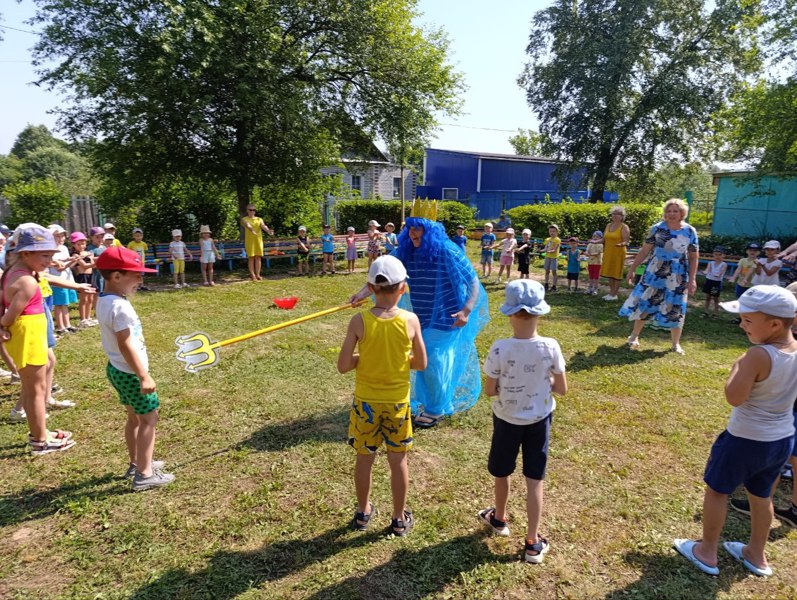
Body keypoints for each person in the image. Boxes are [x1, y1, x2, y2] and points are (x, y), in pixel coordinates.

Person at [674, 285, 797, 577]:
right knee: (762, 495)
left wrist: (737, 367)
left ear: (775, 324)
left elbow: (734, 397)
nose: (742, 325)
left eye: (748, 320)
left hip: (744, 439)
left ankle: (707, 550)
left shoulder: (758, 355)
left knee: (717, 491)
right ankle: (756, 554)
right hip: (780, 440)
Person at [349, 202, 490, 428]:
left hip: (448, 315)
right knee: (428, 360)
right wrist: (362, 293)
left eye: (418, 228)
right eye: (410, 228)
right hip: (422, 315)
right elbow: (384, 274)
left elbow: (472, 280)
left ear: (430, 230)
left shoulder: (447, 250)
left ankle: (436, 408)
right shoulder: (405, 252)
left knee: (433, 359)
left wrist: (466, 310)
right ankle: (435, 402)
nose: (412, 233)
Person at [478, 279, 567, 564]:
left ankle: (500, 518)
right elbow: (562, 388)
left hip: (506, 420)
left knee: (502, 473)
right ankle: (532, 543)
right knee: (534, 481)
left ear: (509, 314)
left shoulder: (500, 348)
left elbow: (490, 390)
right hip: (539, 421)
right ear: (540, 313)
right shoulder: (551, 347)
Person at [338, 255, 427, 536]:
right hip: (398, 403)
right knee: (397, 461)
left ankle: (363, 512)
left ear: (371, 289)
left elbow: (343, 365)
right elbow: (421, 363)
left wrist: (363, 358)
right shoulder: (411, 320)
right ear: (403, 289)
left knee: (364, 459)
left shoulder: (358, 320)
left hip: (366, 403)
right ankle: (399, 518)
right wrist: (398, 360)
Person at [96, 246, 175, 491]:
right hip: (131, 374)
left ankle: (137, 462)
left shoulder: (105, 300)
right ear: (116, 276)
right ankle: (144, 474)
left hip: (117, 370)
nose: (141, 280)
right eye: (136, 275)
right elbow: (126, 342)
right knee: (149, 419)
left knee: (134, 418)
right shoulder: (121, 307)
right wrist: (143, 375)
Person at [1, 224, 76, 454]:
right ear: (26, 254)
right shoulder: (27, 281)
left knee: (39, 385)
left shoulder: (15, 273)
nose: (49, 260)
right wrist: (2, 326)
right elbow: (10, 316)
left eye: (51, 255)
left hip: (30, 336)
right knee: (34, 390)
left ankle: (42, 432)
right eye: (44, 255)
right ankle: (40, 441)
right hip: (28, 337)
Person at [620, 198, 699, 355]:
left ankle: (675, 344)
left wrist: (693, 279)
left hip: (678, 274)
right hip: (655, 271)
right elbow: (644, 251)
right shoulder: (657, 228)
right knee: (647, 301)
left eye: (675, 211)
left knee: (676, 306)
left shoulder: (690, 231)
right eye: (669, 211)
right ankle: (634, 336)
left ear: (682, 213)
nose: (671, 214)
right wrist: (632, 269)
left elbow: (693, 256)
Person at [48, 225, 80, 334]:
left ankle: (67, 325)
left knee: (65, 303)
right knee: (59, 304)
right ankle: (60, 327)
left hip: (66, 279)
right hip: (57, 281)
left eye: (62, 236)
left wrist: (75, 260)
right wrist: (71, 260)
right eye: (58, 236)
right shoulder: (50, 250)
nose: (61, 238)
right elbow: (60, 267)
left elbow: (67, 266)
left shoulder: (64, 248)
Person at [600, 206, 630, 301]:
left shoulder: (624, 227)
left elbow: (626, 241)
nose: (615, 215)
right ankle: (611, 293)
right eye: (613, 213)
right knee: (609, 272)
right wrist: (596, 241)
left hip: (618, 252)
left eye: (617, 214)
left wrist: (621, 244)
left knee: (616, 273)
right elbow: (604, 239)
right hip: (608, 252)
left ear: (622, 216)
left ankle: (614, 294)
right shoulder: (608, 225)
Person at [71, 231, 97, 327]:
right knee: (84, 299)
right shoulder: (75, 255)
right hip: (82, 277)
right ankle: (83, 319)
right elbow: (85, 266)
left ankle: (88, 317)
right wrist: (96, 263)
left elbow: (93, 261)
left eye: (83, 243)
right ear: (73, 245)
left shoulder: (87, 253)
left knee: (90, 298)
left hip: (91, 276)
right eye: (79, 244)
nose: (81, 246)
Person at [241, 204, 273, 281]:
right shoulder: (244, 219)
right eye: (250, 210)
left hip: (258, 240)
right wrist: (252, 230)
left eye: (253, 210)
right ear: (247, 210)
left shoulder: (259, 219)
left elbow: (263, 225)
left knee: (258, 257)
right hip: (249, 241)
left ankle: (258, 274)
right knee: (251, 257)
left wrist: (268, 231)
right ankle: (252, 275)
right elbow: (248, 225)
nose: (252, 211)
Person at [542, 224, 561, 292]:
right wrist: (541, 250)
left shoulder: (557, 240)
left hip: (554, 258)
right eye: (550, 231)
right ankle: (546, 284)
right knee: (547, 271)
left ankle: (554, 286)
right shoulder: (547, 239)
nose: (552, 233)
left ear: (556, 232)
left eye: (553, 231)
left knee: (554, 272)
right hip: (547, 257)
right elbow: (545, 248)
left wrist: (549, 251)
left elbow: (555, 249)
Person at [585, 231, 604, 295]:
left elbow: (598, 253)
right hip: (590, 262)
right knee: (591, 275)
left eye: (597, 236)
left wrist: (590, 254)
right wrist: (586, 253)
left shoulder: (600, 245)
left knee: (596, 276)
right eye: (594, 236)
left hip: (597, 263)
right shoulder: (590, 244)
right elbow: (587, 251)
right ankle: (590, 287)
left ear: (600, 238)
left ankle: (595, 288)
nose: (595, 238)